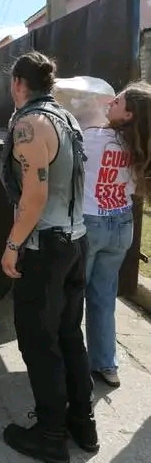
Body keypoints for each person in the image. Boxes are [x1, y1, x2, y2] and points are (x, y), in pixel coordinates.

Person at [0, 51, 97, 463]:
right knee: (68, 333)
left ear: (19, 83)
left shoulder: (31, 124)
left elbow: (35, 196)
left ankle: (51, 434)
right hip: (75, 240)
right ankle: (83, 423)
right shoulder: (67, 118)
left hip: (46, 247)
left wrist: (12, 244)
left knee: (38, 339)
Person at [83, 81, 151, 389]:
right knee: (103, 296)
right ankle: (106, 363)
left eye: (118, 101)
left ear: (129, 114)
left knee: (73, 295)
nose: (110, 102)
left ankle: (71, 362)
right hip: (122, 224)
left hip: (91, 224)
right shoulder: (142, 147)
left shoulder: (93, 137)